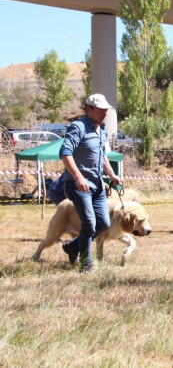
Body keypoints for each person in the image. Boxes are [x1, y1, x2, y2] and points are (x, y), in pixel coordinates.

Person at [59, 94, 122, 273]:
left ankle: (73, 247)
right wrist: (78, 178)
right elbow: (65, 153)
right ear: (89, 110)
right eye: (101, 111)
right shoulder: (78, 127)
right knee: (89, 224)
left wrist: (112, 175)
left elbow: (102, 156)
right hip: (78, 185)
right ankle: (86, 265)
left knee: (103, 224)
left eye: (105, 111)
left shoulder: (101, 130)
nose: (104, 115)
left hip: (97, 186)